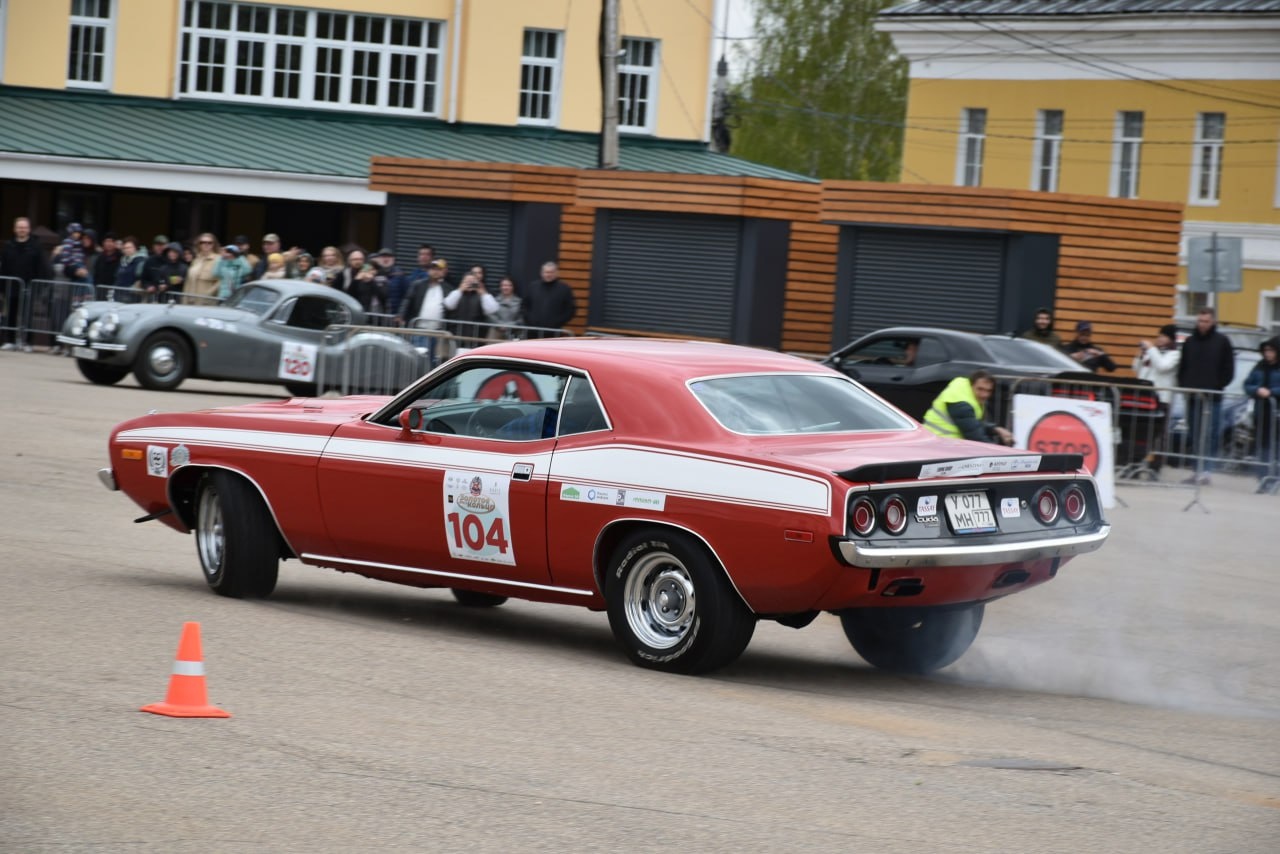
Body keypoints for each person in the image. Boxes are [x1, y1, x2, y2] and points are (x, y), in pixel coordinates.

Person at [1177, 307, 1235, 483]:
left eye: (1206, 321)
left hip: (1213, 397)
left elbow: (1228, 370)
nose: (1202, 324)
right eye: (1200, 321)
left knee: (1210, 434)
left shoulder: (1222, 342)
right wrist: (1184, 386)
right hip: (1193, 396)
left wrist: (1216, 386)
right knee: (1194, 434)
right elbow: (1183, 367)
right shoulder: (1190, 342)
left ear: (1213, 322)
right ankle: (1196, 470)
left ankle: (1207, 471)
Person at [1, 216, 54, 349]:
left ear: (29, 229)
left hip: (29, 287)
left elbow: (42, 267)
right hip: (12, 287)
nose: (22, 230)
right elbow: (3, 267)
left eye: (24, 227)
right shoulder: (8, 246)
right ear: (15, 229)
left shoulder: (36, 247)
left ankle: (27, 342)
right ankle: (11, 341)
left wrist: (39, 286)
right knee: (11, 315)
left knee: (27, 317)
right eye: (19, 227)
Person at [923, 369, 1014, 445]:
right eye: (980, 389)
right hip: (939, 444)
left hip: (939, 441)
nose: (984, 395)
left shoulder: (963, 388)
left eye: (988, 391)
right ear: (971, 385)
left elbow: (972, 423)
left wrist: (995, 429)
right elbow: (976, 437)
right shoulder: (961, 403)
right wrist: (999, 453)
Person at [1243, 337, 1280, 491]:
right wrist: (1256, 390)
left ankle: (1274, 478)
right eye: (1266, 350)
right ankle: (1263, 478)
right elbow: (1247, 384)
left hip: (1277, 411)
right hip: (1261, 411)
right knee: (1262, 446)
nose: (1268, 354)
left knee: (1276, 446)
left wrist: (1271, 392)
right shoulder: (1259, 366)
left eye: (1271, 350)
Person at [398, 257, 451, 362]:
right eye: (433, 269)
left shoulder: (448, 288)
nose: (435, 272)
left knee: (431, 360)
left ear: (444, 272)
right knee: (418, 357)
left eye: (438, 269)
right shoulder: (418, 284)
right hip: (419, 328)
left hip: (437, 332)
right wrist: (401, 314)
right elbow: (408, 300)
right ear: (428, 270)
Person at [443, 267, 499, 343]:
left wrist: (483, 292)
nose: (469, 284)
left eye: (472, 282)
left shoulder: (482, 295)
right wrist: (460, 290)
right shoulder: (456, 293)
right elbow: (448, 305)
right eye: (467, 282)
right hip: (456, 336)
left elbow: (492, 309)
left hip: (476, 338)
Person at [523, 261, 576, 337]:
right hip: (532, 331)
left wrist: (557, 322)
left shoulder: (564, 289)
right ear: (542, 273)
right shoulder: (532, 287)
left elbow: (571, 310)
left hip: (553, 332)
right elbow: (524, 306)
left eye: (551, 272)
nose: (548, 275)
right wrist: (530, 320)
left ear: (556, 273)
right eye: (546, 272)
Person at [330, 247, 384, 312]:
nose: (358, 262)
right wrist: (357, 279)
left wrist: (372, 280)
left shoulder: (371, 272)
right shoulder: (343, 274)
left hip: (368, 310)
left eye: (360, 259)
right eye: (355, 259)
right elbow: (344, 294)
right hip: (349, 309)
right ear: (349, 261)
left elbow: (382, 295)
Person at [369, 248, 409, 315]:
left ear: (393, 259)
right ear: (378, 259)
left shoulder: (400, 275)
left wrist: (401, 314)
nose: (385, 259)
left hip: (393, 315)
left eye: (388, 257)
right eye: (383, 257)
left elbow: (406, 297)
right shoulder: (372, 273)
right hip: (374, 314)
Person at [184, 233, 221, 301]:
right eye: (203, 242)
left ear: (214, 244)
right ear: (199, 244)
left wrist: (208, 294)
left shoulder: (218, 259)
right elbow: (188, 281)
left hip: (207, 301)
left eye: (209, 243)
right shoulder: (196, 260)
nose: (206, 244)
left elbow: (221, 280)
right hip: (191, 299)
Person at [491, 275, 524, 339]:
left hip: (513, 333)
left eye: (509, 285)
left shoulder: (519, 301)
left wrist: (509, 325)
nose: (506, 287)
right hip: (496, 332)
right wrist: (499, 324)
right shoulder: (495, 300)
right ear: (500, 287)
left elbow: (521, 318)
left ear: (513, 287)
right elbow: (491, 315)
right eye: (503, 285)